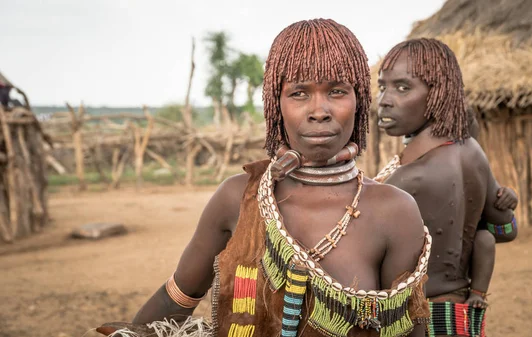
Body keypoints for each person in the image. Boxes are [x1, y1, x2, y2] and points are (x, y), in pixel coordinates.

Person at [98, 19, 431, 337]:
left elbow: (407, 330)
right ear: (276, 105)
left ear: (359, 100)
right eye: (299, 93)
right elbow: (177, 298)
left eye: (337, 91)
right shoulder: (239, 197)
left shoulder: (394, 211)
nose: (319, 110)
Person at [373, 38, 518, 337]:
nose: (384, 100)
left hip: (420, 323)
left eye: (403, 87)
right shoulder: (472, 151)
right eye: (382, 86)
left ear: (438, 94)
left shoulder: (404, 182)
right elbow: (505, 230)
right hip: (466, 319)